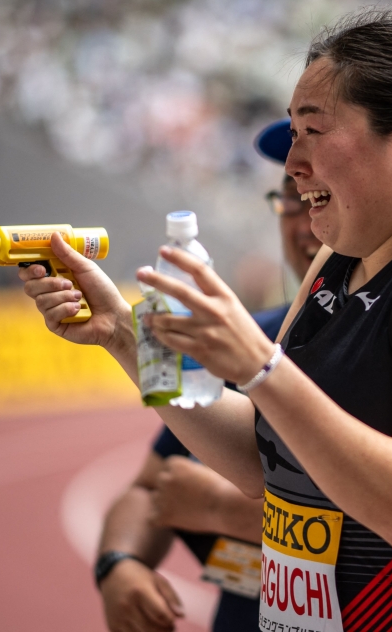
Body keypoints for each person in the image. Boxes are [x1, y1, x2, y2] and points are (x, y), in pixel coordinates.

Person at [22, 8, 392, 631]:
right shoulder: (341, 258)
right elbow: (262, 460)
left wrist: (260, 367)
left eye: (313, 132)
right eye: (292, 133)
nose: (292, 164)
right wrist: (124, 333)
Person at [95, 119, 320, 632]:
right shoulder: (247, 333)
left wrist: (223, 509)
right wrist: (119, 565)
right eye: (291, 197)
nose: (305, 222)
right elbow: (154, 486)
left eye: (319, 196)